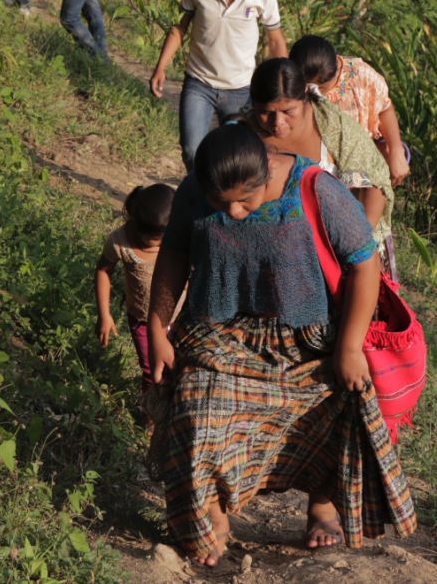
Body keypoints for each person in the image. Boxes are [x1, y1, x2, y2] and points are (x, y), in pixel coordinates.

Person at [147, 124, 416, 567]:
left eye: (245, 201)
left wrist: (348, 348)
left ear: (268, 169)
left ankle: (323, 506)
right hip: (222, 335)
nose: (233, 212)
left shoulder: (316, 189)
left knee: (337, 405)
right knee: (195, 405)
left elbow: (365, 265)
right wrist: (158, 329)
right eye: (221, 202)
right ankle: (211, 515)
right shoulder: (196, 190)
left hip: (307, 339)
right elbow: (174, 255)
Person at [149, 0, 287, 172]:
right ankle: (202, 197)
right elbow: (180, 26)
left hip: (241, 90)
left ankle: (223, 200)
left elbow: (274, 40)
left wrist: (282, 87)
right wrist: (160, 67)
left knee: (236, 156)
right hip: (199, 83)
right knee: (192, 150)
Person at [244, 58, 395, 259]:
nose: (277, 122)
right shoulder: (242, 135)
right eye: (266, 112)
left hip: (336, 251)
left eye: (288, 111)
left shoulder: (334, 126)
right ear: (253, 104)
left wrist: (358, 249)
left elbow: (375, 183)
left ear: (305, 96)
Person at [289, 35, 410, 188]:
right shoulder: (289, 82)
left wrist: (396, 150)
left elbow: (384, 108)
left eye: (322, 88)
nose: (314, 92)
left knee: (383, 154)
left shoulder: (362, 75)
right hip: (316, 161)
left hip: (358, 159)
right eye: (308, 87)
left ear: (335, 71)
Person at [95, 184, 175, 393]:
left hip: (180, 317)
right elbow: (103, 271)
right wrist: (104, 315)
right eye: (156, 239)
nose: (162, 243)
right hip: (143, 320)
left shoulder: (180, 236)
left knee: (179, 368)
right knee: (152, 372)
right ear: (137, 227)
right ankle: (150, 420)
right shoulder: (120, 242)